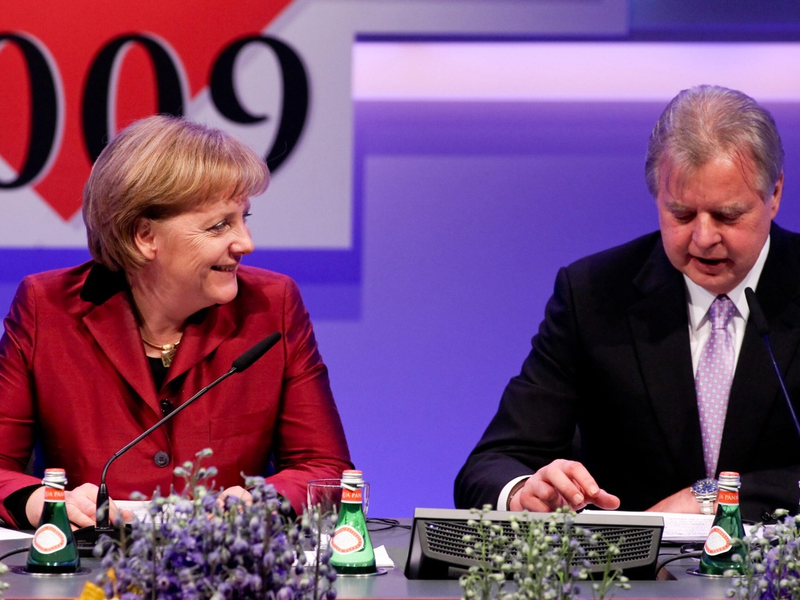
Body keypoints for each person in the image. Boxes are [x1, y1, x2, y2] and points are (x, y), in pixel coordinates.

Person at [455, 85, 800, 521]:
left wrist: (711, 498)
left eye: (727, 215)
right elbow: (491, 464)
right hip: (629, 565)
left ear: (774, 194)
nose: (703, 237)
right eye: (681, 214)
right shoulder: (593, 295)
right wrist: (525, 492)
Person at [0, 115, 353, 529]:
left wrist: (265, 501)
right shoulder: (47, 308)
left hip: (222, 562)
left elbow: (326, 470)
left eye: (244, 218)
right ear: (144, 237)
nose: (246, 243)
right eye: (219, 225)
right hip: (89, 562)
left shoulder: (272, 306)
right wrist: (47, 503)